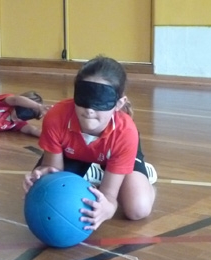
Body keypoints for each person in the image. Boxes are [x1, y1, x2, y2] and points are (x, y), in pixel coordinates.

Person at [22, 56, 157, 230]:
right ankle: (97, 171)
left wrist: (107, 209)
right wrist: (42, 174)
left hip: (113, 151)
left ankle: (140, 174)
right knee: (45, 193)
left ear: (118, 103)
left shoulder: (125, 133)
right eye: (84, 98)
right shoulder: (56, 118)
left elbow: (109, 199)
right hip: (73, 152)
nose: (90, 110)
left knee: (138, 209)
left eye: (100, 100)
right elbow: (53, 170)